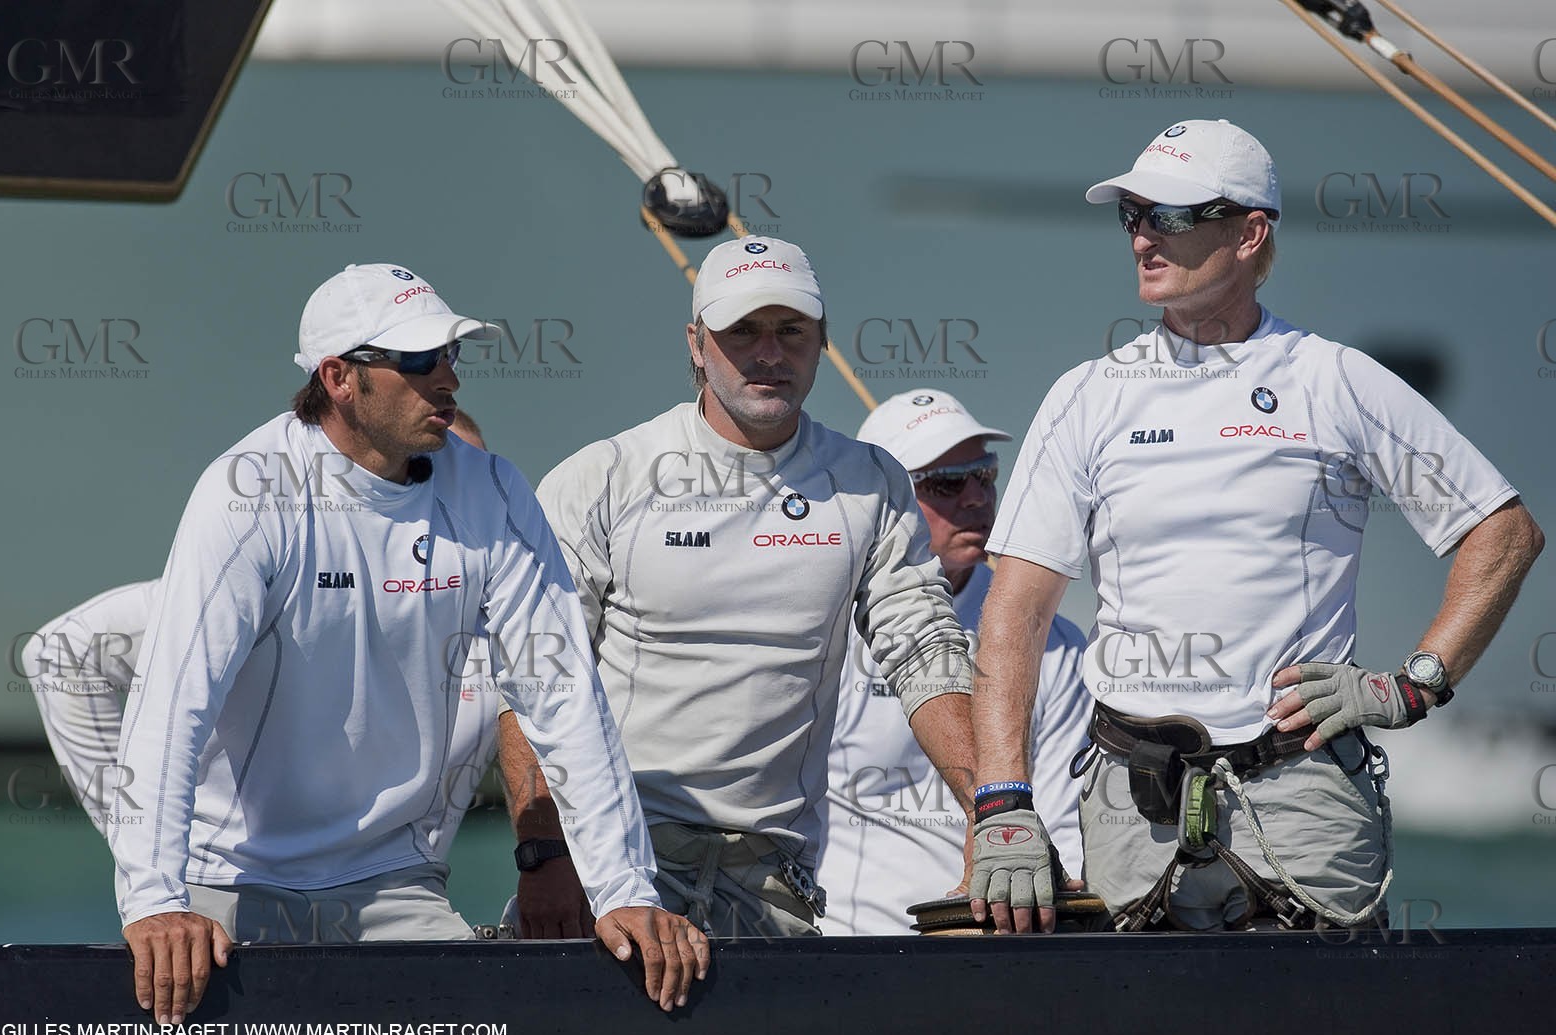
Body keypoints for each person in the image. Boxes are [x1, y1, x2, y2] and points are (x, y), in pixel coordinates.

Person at [966, 119, 1544, 934]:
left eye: (1168, 216)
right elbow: (1015, 612)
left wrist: (1412, 685)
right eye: (1132, 215)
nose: (1141, 240)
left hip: (1302, 794)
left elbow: (1505, 533)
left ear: (1248, 233)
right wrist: (1003, 804)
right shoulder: (1086, 396)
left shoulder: (1333, 381)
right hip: (1135, 800)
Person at [110, 263, 708, 1024]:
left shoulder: (493, 492)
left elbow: (563, 699)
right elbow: (171, 706)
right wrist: (155, 901)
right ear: (339, 377)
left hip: (397, 881)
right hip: (232, 881)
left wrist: (625, 890)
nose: (447, 379)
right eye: (420, 361)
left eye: (451, 355)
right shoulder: (246, 493)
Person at [499, 237, 978, 938]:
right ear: (696, 343)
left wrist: (994, 809)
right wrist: (546, 857)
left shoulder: (870, 484)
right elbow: (535, 678)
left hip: (770, 882)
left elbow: (925, 652)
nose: (769, 353)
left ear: (822, 341)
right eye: (742, 331)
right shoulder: (602, 477)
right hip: (612, 866)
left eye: (792, 331)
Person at [29, 418, 497, 835]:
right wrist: (150, 848)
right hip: (239, 888)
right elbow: (63, 652)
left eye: (467, 484)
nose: (444, 505)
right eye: (420, 479)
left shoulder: (510, 620)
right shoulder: (265, 583)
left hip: (398, 893)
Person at [815, 390, 1093, 936]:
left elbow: (1064, 819)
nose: (975, 497)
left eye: (984, 474)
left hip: (997, 950)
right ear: (885, 497)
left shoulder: (1055, 641)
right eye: (946, 482)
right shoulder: (828, 628)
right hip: (847, 950)